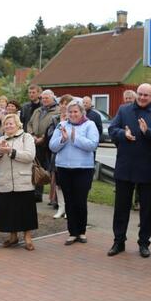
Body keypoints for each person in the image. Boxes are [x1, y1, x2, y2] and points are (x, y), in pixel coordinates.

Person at [107, 83, 151, 258]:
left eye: (146, 95)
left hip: (148, 167)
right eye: (140, 94)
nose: (142, 97)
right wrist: (122, 135)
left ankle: (144, 243)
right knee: (121, 207)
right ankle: (119, 241)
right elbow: (112, 129)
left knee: (147, 209)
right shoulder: (124, 110)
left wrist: (147, 132)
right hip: (126, 166)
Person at [50, 98, 99, 245]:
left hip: (83, 169)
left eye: (75, 111)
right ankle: (72, 232)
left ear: (82, 112)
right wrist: (63, 140)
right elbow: (52, 146)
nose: (72, 114)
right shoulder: (61, 125)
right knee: (69, 201)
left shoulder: (90, 125)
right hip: (64, 168)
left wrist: (74, 137)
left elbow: (92, 145)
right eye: (70, 112)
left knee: (80, 201)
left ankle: (82, 231)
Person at [0, 113, 38, 250]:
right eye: (6, 124)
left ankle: (28, 238)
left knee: (25, 211)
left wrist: (11, 151)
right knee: (9, 211)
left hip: (23, 181)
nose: (8, 126)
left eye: (11, 123)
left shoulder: (26, 137)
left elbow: (29, 156)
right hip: (5, 182)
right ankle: (13, 237)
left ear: (18, 125)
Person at [27, 90, 60, 203]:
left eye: (47, 98)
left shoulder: (58, 110)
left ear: (53, 98)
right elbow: (30, 123)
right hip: (35, 142)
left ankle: (54, 198)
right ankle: (37, 193)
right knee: (37, 168)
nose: (44, 100)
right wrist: (31, 135)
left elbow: (55, 128)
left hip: (49, 144)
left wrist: (43, 138)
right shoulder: (38, 110)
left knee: (51, 171)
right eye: (43, 98)